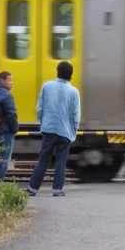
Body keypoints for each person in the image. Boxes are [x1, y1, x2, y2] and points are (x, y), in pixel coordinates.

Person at [26, 61, 80, 197]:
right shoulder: (74, 92)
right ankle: (57, 190)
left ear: (57, 71)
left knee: (43, 159)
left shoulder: (47, 86)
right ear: (71, 75)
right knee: (61, 161)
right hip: (65, 131)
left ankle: (32, 189)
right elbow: (76, 116)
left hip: (48, 129)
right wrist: (74, 132)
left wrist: (43, 122)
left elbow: (39, 109)